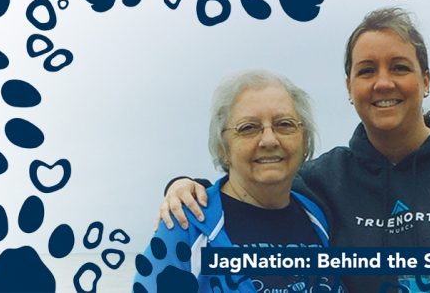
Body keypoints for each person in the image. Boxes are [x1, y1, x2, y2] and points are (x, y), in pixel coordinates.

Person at [159, 8, 430, 292]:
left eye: (400, 67)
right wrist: (185, 186)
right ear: (349, 87)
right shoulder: (324, 180)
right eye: (366, 70)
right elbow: (255, 184)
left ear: (426, 80)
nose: (383, 83)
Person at [134, 70, 343, 293]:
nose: (269, 140)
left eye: (284, 124)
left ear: (305, 140)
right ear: (222, 147)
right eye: (248, 128)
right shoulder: (187, 227)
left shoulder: (317, 217)